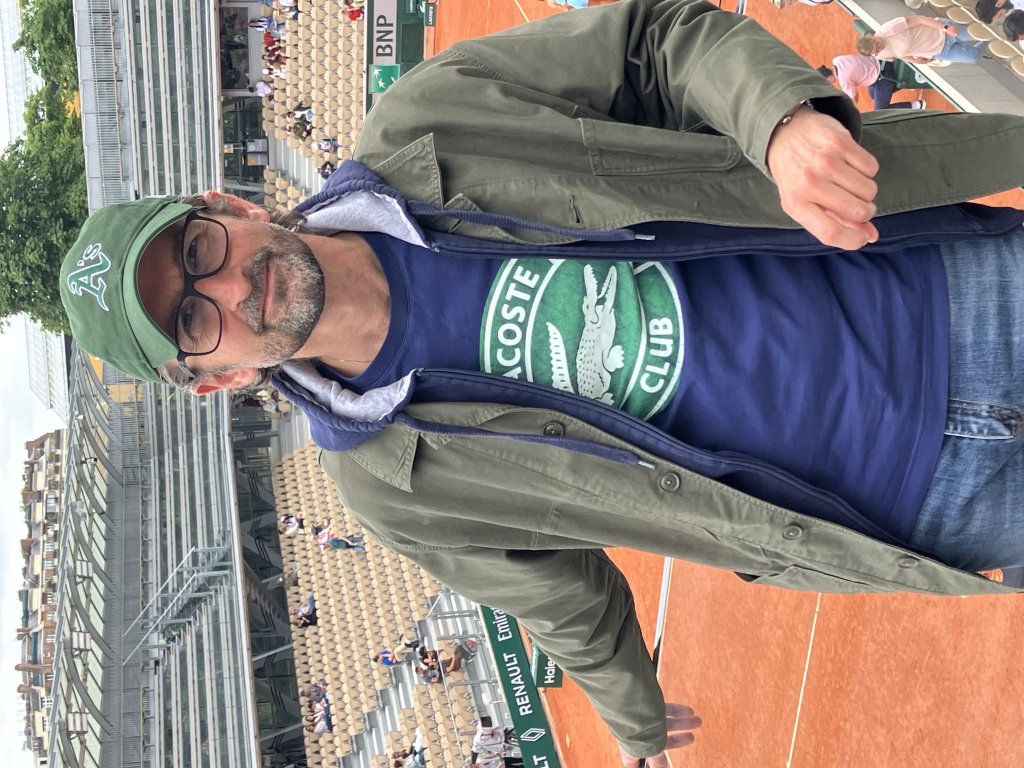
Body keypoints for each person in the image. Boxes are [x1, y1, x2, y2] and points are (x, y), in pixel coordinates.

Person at [59, 1, 1024, 765]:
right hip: (924, 500)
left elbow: (654, 41)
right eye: (194, 318)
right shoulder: (389, 491)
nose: (231, 288)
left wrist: (776, 122)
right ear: (216, 377)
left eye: (199, 251)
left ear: (223, 205)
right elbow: (562, 600)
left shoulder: (430, 117)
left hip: (951, 286)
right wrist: (633, 716)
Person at [857, 16, 988, 65]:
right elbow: (899, 54)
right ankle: (990, 41)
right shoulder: (879, 54)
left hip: (942, 33)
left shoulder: (888, 28)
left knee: (979, 33)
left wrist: (945, 28)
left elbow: (920, 20)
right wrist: (916, 60)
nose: (880, 49)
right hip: (938, 52)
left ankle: (993, 33)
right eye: (876, 51)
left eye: (877, 45)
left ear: (873, 37)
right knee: (973, 57)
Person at [816, 56, 925, 110]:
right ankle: (906, 80)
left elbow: (854, 99)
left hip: (884, 77)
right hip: (882, 62)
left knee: (880, 111)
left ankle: (916, 105)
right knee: (873, 95)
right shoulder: (837, 60)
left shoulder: (844, 80)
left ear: (830, 77)